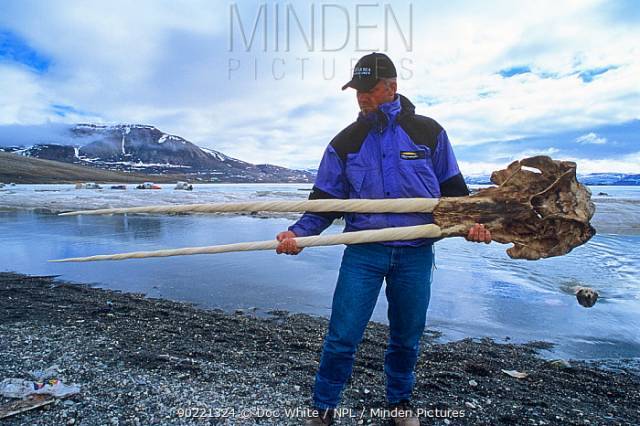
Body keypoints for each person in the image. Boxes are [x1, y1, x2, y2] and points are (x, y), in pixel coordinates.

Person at [276, 53, 491, 426]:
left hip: (416, 252)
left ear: (392, 87)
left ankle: (400, 405)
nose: (362, 97)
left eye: (369, 89)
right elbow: (325, 204)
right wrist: (298, 234)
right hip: (364, 252)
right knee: (342, 335)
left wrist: (473, 225)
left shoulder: (428, 133)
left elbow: (456, 196)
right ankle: (323, 408)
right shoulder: (345, 142)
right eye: (357, 90)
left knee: (407, 336)